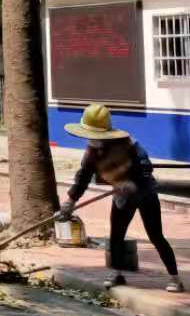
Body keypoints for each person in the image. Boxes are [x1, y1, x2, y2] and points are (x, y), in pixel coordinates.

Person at [58, 104, 183, 292]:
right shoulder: (91, 152)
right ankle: (117, 273)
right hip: (121, 195)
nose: (93, 139)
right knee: (116, 234)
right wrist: (71, 200)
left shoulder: (127, 143)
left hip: (143, 192)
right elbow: (83, 176)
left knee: (155, 235)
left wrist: (133, 182)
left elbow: (146, 165)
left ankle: (175, 278)